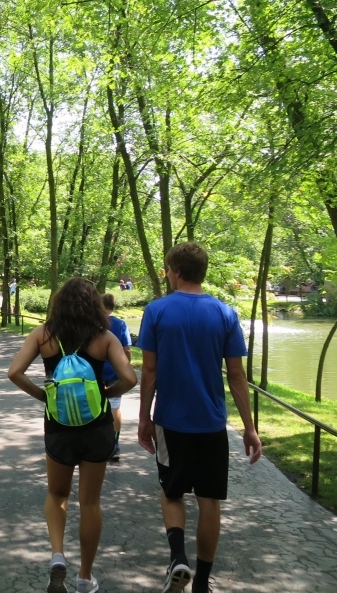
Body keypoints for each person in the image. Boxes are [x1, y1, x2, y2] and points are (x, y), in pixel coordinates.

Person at [137, 242, 262, 593]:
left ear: (174, 271)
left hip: (171, 421)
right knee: (209, 502)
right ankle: (202, 585)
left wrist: (144, 418)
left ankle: (178, 558)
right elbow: (236, 376)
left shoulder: (157, 311)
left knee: (171, 492)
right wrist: (250, 429)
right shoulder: (225, 313)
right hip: (211, 423)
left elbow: (149, 369)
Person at [8, 277, 137, 593]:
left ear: (58, 303)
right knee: (90, 502)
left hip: (58, 426)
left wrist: (43, 396)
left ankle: (57, 555)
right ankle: (84, 577)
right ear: (94, 305)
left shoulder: (44, 334)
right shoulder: (104, 337)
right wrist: (106, 393)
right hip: (97, 427)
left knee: (56, 495)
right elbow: (130, 378)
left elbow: (14, 372)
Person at [100, 293, 132, 460]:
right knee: (115, 406)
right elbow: (127, 349)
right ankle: (115, 444)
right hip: (114, 371)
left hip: (95, 371)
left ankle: (97, 443)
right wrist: (125, 366)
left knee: (95, 406)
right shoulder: (121, 324)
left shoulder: (94, 324)